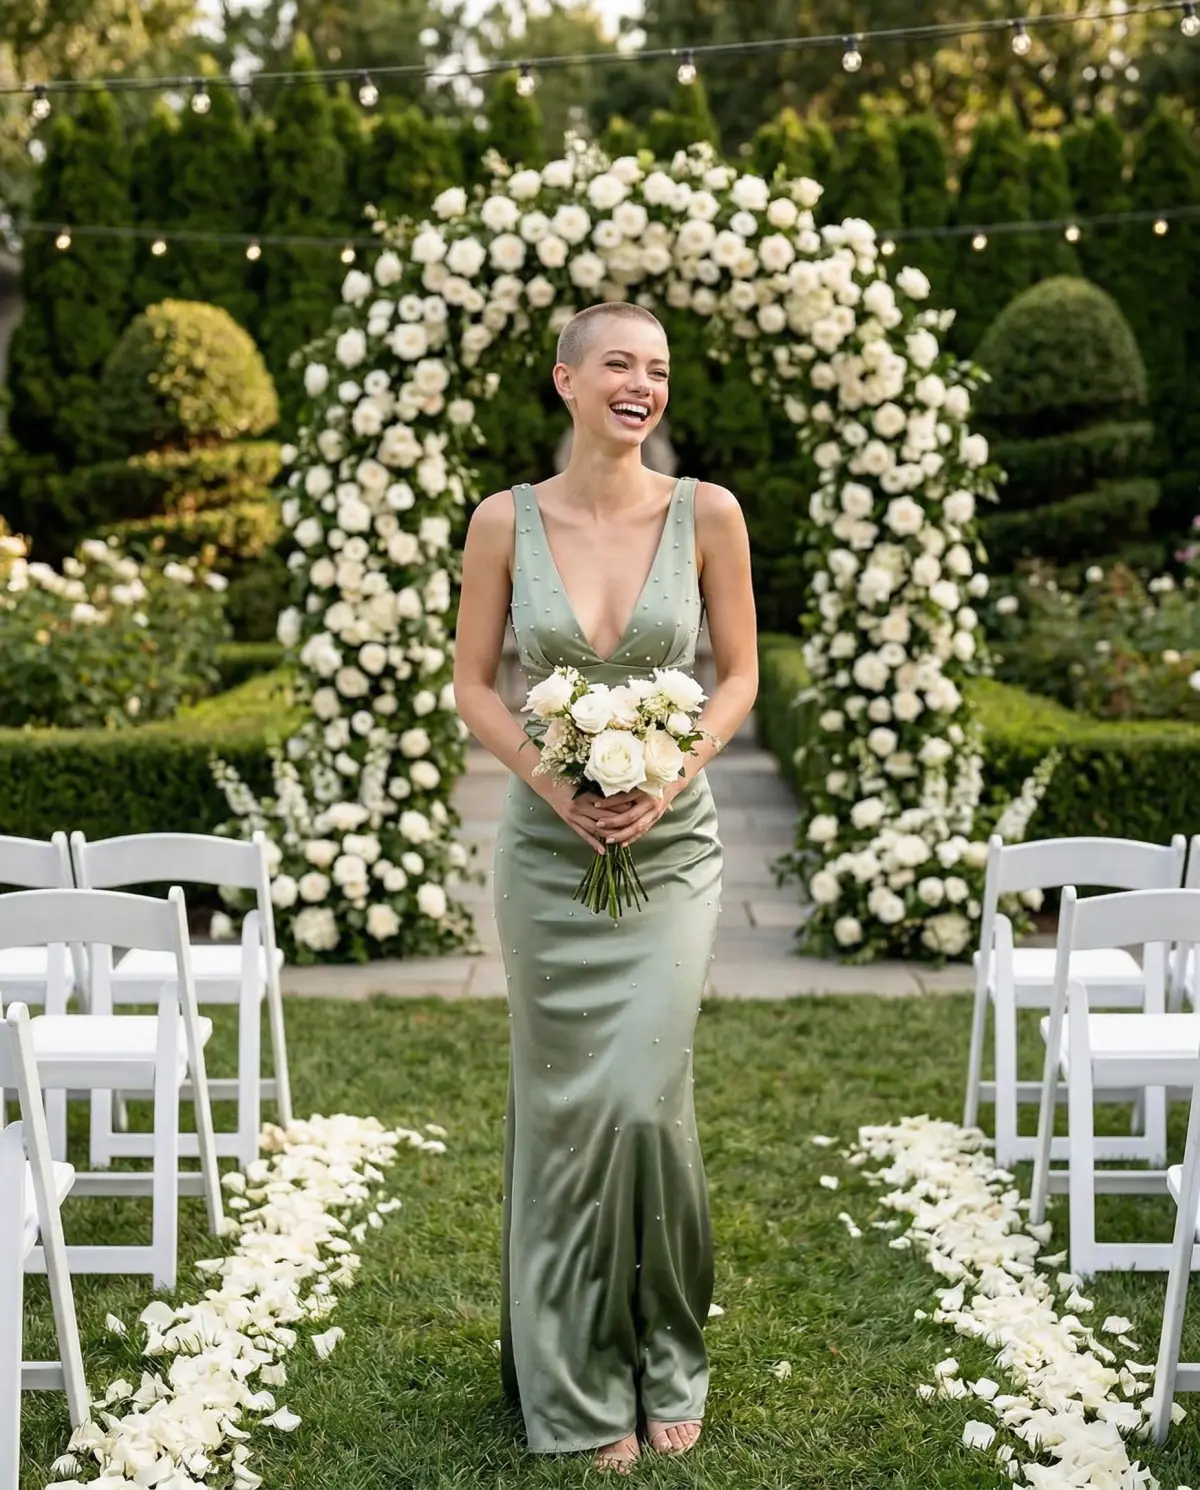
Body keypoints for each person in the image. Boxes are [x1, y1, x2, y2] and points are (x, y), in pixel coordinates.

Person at [453, 301, 758, 1472]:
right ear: (566, 381)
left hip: (673, 852)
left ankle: (666, 1348)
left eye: (660, 368)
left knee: (641, 1096)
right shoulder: (502, 520)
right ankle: (573, 1372)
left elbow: (735, 676)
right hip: (544, 858)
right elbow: (477, 684)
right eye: (621, 363)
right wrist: (553, 781)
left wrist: (672, 768)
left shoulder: (708, 514)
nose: (644, 383)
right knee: (564, 1110)